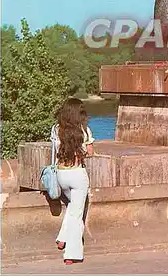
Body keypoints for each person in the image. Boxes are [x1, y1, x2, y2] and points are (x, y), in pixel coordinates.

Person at [50, 97, 94, 265]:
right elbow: (90, 152)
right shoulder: (84, 130)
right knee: (77, 214)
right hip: (77, 173)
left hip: (61, 174)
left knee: (72, 206)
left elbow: (55, 149)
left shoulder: (56, 129)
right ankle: (72, 254)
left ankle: (62, 238)